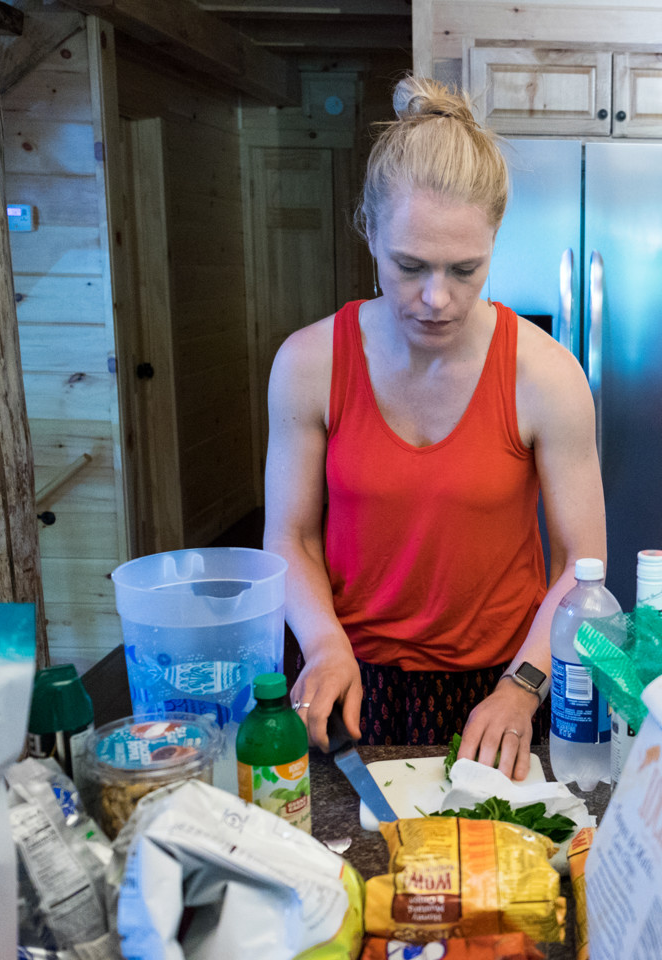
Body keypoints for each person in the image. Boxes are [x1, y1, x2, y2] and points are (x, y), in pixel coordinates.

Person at [263, 75, 606, 780]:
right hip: (347, 674)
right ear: (368, 229)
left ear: (495, 240)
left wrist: (524, 687)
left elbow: (581, 565)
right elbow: (289, 535)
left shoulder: (546, 376)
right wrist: (324, 643)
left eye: (465, 268)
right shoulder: (308, 363)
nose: (435, 298)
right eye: (409, 266)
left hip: (505, 683)